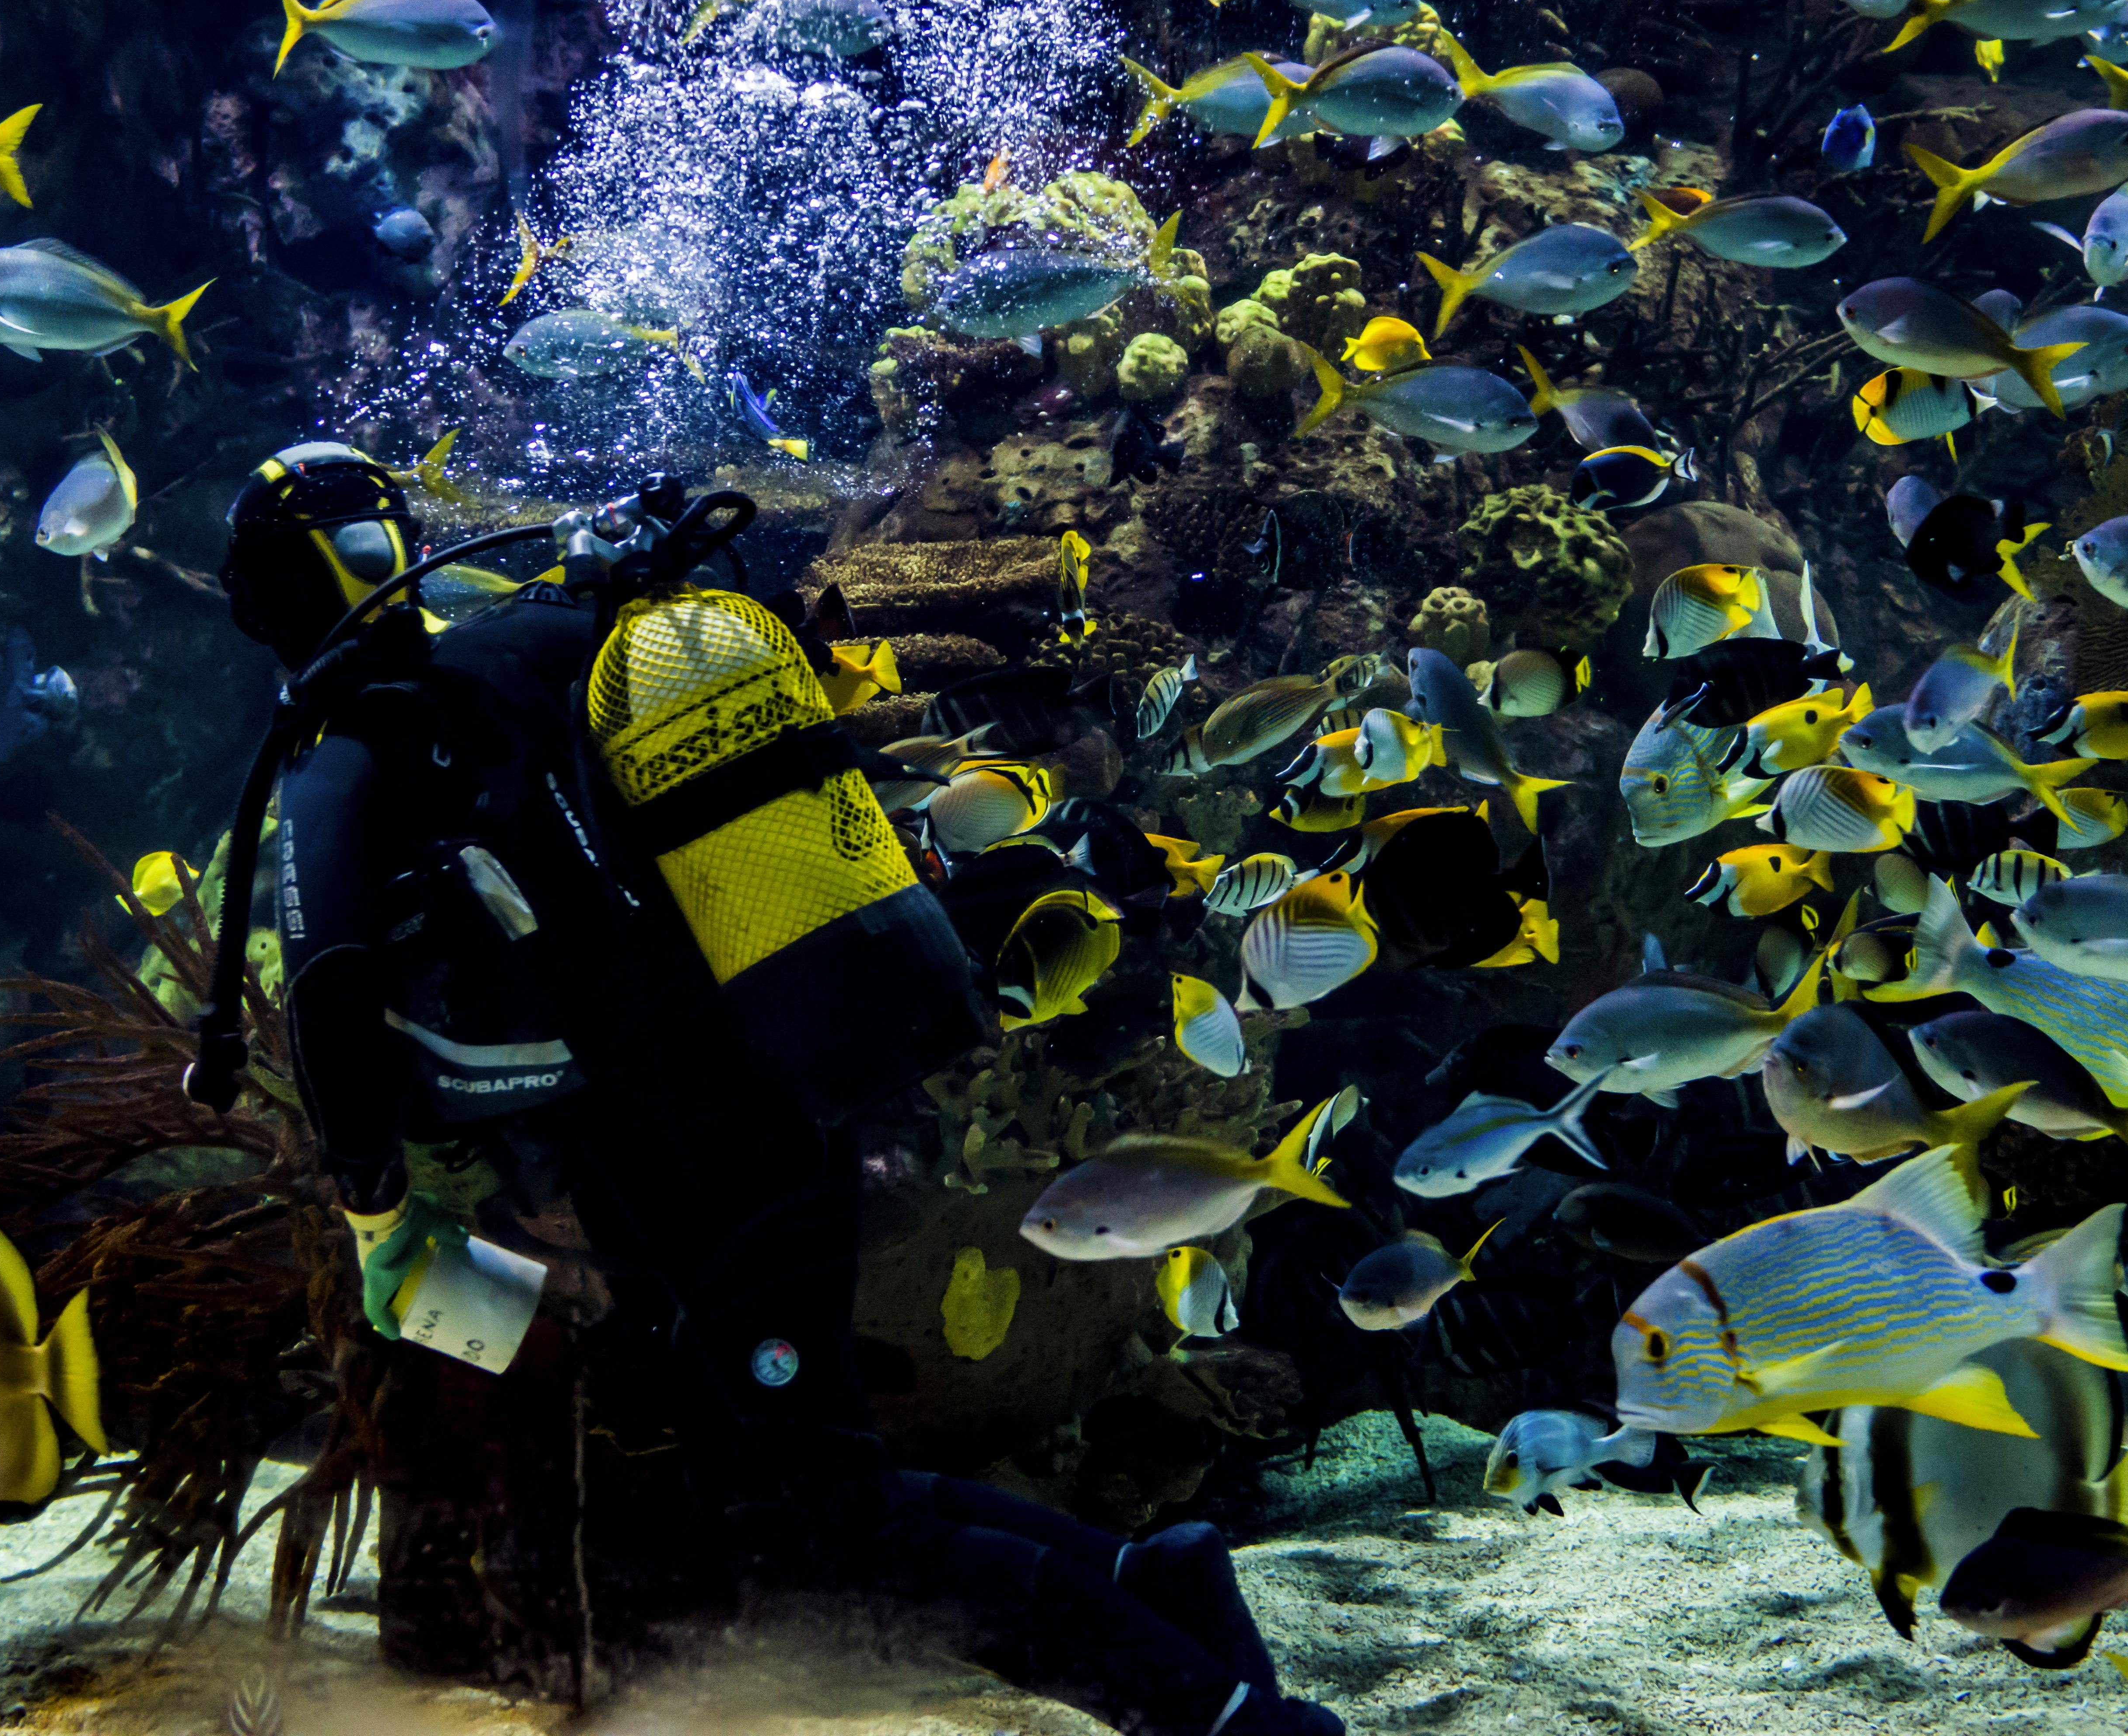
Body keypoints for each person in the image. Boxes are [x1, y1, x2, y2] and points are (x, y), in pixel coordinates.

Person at [214, 443, 1340, 1736]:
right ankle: (1165, 1584)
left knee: (823, 1532)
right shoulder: (532, 642)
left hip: (694, 1154)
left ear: (265, 602)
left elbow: (328, 986)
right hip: (786, 1080)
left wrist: (370, 1205)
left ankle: (1216, 1724)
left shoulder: (353, 746)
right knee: (823, 1477)